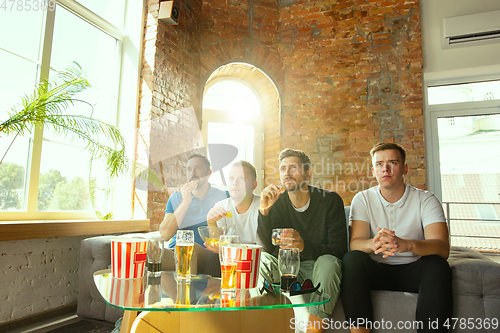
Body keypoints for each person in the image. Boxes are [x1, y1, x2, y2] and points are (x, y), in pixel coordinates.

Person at [341, 142, 452, 333]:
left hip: (414, 270)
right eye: (379, 164)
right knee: (352, 259)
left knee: (437, 264)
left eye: (393, 162)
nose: (386, 168)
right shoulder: (362, 199)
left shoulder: (426, 200)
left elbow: (442, 247)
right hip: (376, 269)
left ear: (405, 168)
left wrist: (407, 244)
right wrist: (375, 242)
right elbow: (355, 244)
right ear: (373, 171)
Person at [257, 149, 347, 333]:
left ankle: (312, 331)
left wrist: (304, 246)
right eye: (282, 169)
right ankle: (262, 323)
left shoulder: (330, 201)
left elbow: (339, 250)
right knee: (260, 260)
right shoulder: (277, 203)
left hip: (318, 269)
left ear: (308, 174)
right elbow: (266, 248)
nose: (287, 173)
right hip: (286, 269)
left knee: (329, 262)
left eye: (293, 168)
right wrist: (264, 212)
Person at [159, 153, 228, 276]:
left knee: (189, 248)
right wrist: (185, 203)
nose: (192, 173)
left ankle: (184, 293)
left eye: (198, 168)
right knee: (146, 251)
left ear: (209, 173)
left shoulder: (223, 197)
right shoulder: (176, 198)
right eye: (189, 169)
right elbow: (164, 235)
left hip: (204, 253)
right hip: (175, 253)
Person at [206, 160, 260, 246]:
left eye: (242, 178)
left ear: (254, 185)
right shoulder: (221, 207)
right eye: (232, 178)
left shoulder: (262, 206)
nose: (235, 183)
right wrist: (211, 223)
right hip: (230, 255)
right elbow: (218, 244)